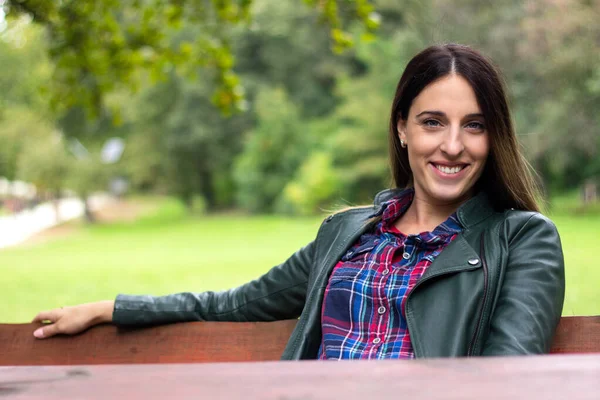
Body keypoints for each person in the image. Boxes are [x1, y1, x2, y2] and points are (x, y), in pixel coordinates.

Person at [32, 44, 565, 359]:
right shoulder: (348, 233)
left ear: (493, 138)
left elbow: (508, 379)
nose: (453, 145)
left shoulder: (520, 239)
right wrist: (111, 308)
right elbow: (233, 304)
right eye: (433, 122)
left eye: (474, 126)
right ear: (402, 129)